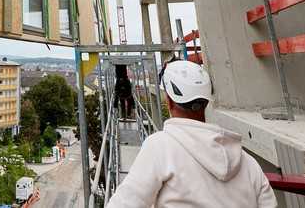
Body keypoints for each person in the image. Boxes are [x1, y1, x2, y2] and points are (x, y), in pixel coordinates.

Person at [108, 60, 276, 208]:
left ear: (169, 101)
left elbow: (126, 202)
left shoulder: (160, 147)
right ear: (206, 103)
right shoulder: (248, 163)